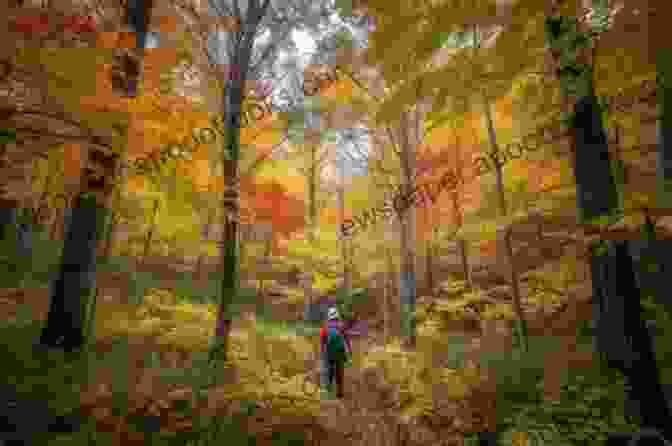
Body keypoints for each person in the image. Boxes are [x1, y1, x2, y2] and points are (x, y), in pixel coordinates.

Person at [320, 306, 352, 399]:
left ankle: (328, 391)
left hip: (329, 353)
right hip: (340, 353)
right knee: (339, 373)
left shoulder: (325, 327)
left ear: (329, 316)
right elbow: (346, 341)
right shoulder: (341, 326)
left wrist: (323, 355)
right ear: (337, 316)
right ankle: (340, 393)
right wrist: (349, 354)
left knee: (329, 372)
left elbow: (323, 342)